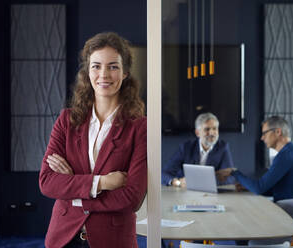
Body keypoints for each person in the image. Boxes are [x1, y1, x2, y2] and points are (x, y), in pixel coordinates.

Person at [39, 32, 147, 248]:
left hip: (113, 241)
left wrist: (73, 190)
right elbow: (48, 182)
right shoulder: (66, 120)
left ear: (125, 72)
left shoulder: (140, 127)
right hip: (64, 238)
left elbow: (132, 198)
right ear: (88, 72)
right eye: (96, 66)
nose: (104, 74)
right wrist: (103, 182)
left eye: (113, 66)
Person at [217, 116, 293, 202]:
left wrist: (234, 172)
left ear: (278, 132)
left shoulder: (286, 155)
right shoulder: (292, 152)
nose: (262, 138)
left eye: (265, 133)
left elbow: (259, 188)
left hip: (290, 209)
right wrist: (248, 187)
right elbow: (278, 190)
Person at [162, 112, 235, 187]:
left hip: (211, 194)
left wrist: (203, 182)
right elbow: (164, 174)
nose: (211, 133)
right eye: (207, 129)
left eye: (214, 128)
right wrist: (178, 182)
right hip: (185, 192)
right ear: (197, 133)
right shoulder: (186, 148)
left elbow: (230, 178)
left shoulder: (223, 148)